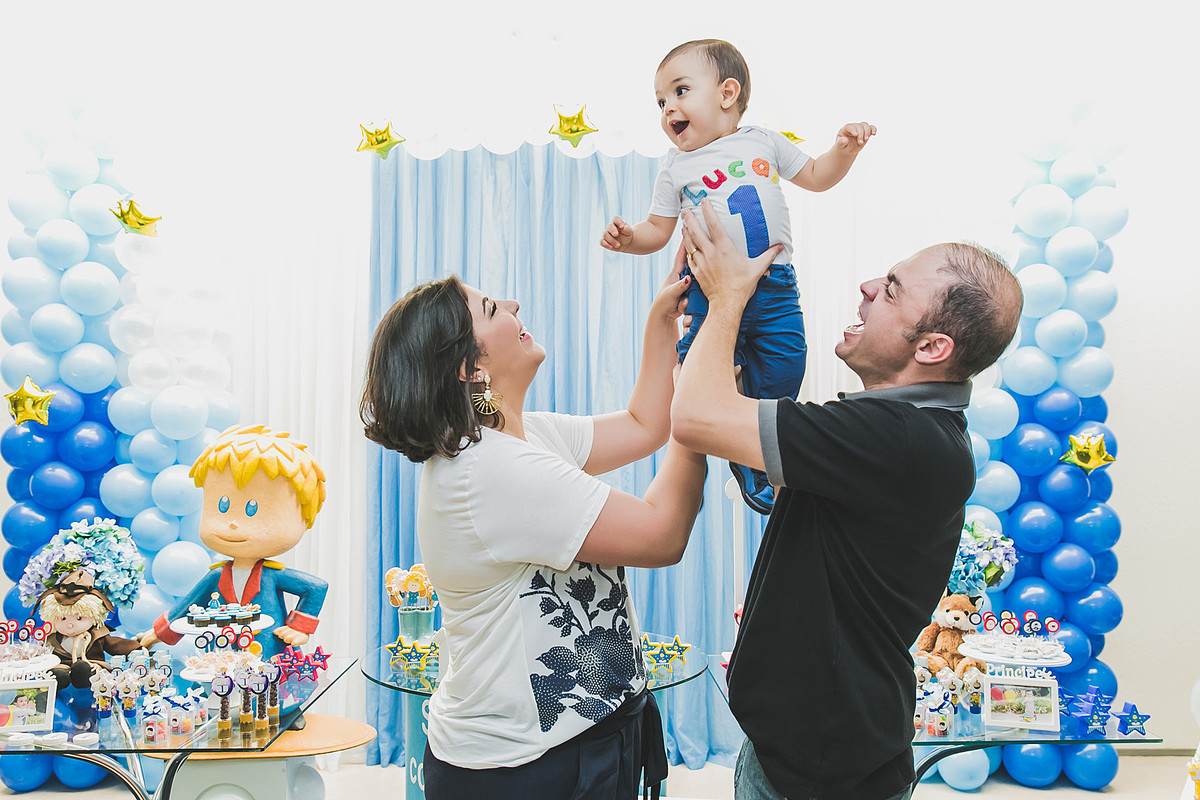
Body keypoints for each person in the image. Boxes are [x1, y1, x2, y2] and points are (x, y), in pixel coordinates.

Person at [671, 200, 1023, 800]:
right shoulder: (899, 430)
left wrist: (728, 298)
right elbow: (765, 475)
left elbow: (695, 418)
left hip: (821, 768)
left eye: (890, 290)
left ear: (932, 348)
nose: (865, 288)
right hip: (803, 749)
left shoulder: (901, 439)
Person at [359, 263, 706, 800]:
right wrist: (702, 410)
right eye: (493, 309)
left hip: (580, 736)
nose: (514, 305)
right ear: (470, 368)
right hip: (522, 768)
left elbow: (644, 424)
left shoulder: (526, 438)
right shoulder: (490, 471)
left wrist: (664, 324)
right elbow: (663, 535)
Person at [601, 38, 875, 514]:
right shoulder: (675, 167)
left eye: (680, 92)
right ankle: (736, 444)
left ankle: (756, 456)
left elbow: (815, 175)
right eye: (661, 102)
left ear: (727, 93)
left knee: (789, 363)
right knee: (698, 373)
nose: (668, 110)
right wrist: (631, 238)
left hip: (774, 285)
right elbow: (658, 230)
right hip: (709, 289)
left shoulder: (763, 142)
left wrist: (844, 151)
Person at [138, 425, 329, 663]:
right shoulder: (216, 576)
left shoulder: (272, 575)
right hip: (222, 658)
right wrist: (158, 633)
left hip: (269, 657)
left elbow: (315, 587)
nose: (234, 524)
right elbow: (188, 605)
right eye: (222, 506)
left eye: (253, 510)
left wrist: (298, 627)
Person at [35, 568, 146, 690]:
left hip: (92, 666)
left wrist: (136, 648)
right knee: (57, 674)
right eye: (63, 619)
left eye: (79, 618)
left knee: (83, 669)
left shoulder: (96, 635)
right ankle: (58, 679)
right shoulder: (52, 639)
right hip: (62, 667)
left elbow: (115, 644)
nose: (69, 625)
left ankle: (81, 674)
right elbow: (42, 653)